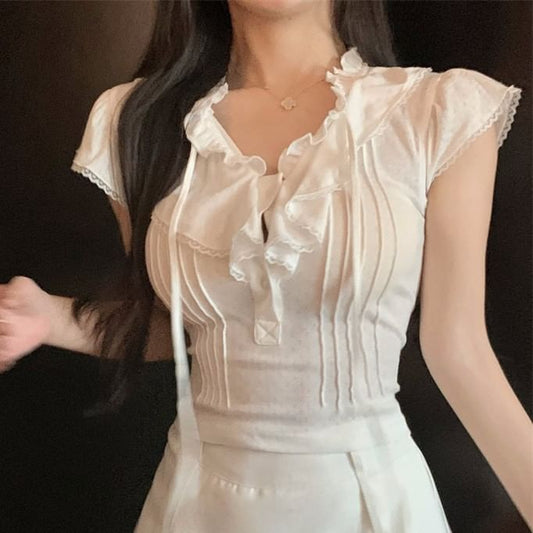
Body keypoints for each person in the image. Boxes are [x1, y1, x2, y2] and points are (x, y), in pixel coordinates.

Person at [0, 0, 531, 531]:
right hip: (197, 503)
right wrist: (49, 317)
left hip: (370, 502)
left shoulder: (437, 111)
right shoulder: (136, 121)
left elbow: (458, 350)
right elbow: (179, 325)